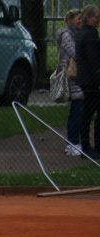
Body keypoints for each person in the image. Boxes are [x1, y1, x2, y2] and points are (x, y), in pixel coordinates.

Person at [58, 9, 84, 156]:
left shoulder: (77, 34)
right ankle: (72, 143)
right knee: (77, 108)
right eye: (78, 19)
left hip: (78, 75)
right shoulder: (67, 35)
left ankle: (75, 142)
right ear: (70, 20)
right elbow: (75, 53)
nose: (80, 21)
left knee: (79, 108)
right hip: (72, 75)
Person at [77, 5, 100, 157]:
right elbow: (94, 61)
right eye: (97, 17)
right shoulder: (90, 35)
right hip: (92, 81)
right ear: (89, 17)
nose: (98, 20)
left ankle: (87, 146)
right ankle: (91, 146)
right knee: (89, 113)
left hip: (86, 79)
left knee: (87, 112)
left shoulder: (83, 33)